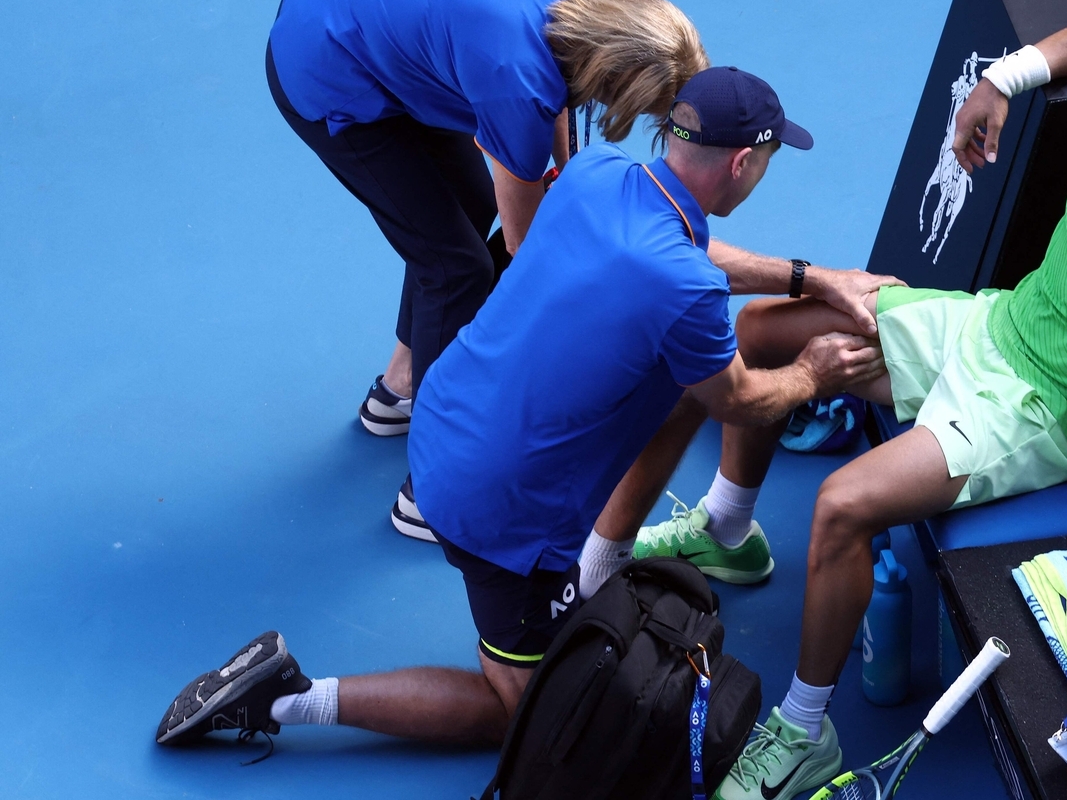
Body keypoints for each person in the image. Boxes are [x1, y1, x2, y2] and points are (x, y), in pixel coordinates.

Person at [154, 68, 897, 751]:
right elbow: (741, 396)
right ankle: (287, 699)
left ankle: (612, 562)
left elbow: (693, 262)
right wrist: (812, 369)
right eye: (768, 160)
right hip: (501, 510)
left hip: (449, 422)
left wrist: (811, 278)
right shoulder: (683, 291)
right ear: (743, 163)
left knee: (674, 376)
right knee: (523, 707)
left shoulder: (601, 176)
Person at [630, 0, 1067, 800]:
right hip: (996, 325)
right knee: (760, 333)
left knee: (843, 504)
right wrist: (999, 80)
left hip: (1044, 407)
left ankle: (805, 729)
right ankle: (729, 530)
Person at [266, 0, 706, 496]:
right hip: (326, 62)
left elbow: (557, 89)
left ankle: (400, 386)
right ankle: (433, 486)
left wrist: (563, 176)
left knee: (468, 207)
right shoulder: (514, 81)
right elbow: (527, 247)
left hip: (368, 2)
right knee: (456, 267)